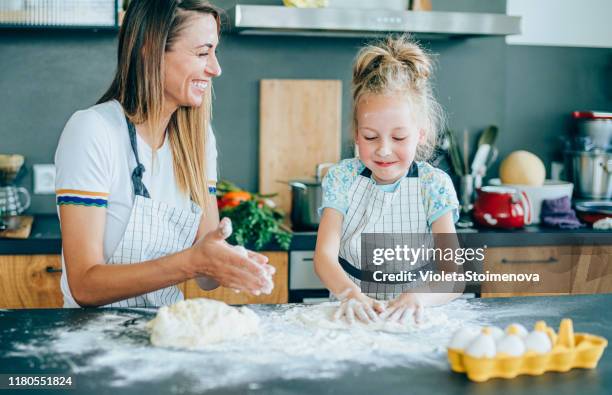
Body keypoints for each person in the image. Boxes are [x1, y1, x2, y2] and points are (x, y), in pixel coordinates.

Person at [54, 0, 273, 308]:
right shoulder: (93, 130)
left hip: (162, 332)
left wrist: (228, 261)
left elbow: (206, 278)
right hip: (95, 339)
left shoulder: (199, 141)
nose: (215, 68)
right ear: (150, 49)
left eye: (215, 51)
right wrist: (193, 262)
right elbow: (84, 286)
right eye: (202, 53)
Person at [314, 35, 462, 325]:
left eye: (398, 137)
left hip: (416, 315)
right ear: (356, 134)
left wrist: (420, 297)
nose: (383, 149)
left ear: (420, 133)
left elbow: (453, 276)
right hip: (352, 312)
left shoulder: (433, 185)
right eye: (370, 137)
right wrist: (350, 293)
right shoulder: (343, 178)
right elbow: (324, 257)